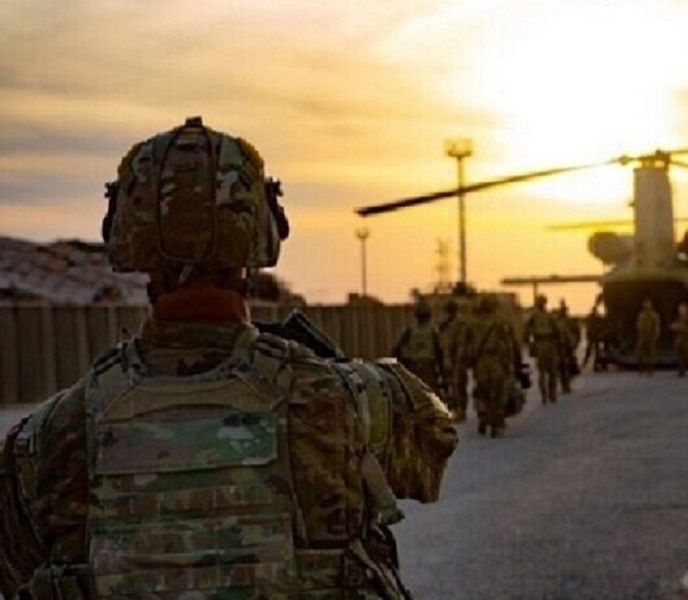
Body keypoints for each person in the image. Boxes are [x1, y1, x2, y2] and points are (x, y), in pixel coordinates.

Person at [0, 117, 457, 599]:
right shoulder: (352, 402)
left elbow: (15, 568)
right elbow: (432, 453)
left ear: (126, 232)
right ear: (262, 229)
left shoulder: (51, 435)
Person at [464, 295, 518, 437]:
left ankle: (483, 416)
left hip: (479, 362)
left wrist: (469, 362)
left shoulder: (472, 325)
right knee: (497, 392)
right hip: (495, 361)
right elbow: (507, 345)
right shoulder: (499, 323)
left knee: (482, 390)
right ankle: (496, 423)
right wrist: (509, 362)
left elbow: (466, 346)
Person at [394, 299, 446, 395]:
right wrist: (442, 373)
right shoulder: (432, 332)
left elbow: (397, 351)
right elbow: (439, 353)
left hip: (413, 365)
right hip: (427, 365)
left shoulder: (410, 331)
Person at [524, 294, 560, 404]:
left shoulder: (534, 317)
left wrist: (530, 344)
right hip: (548, 344)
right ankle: (550, 393)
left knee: (543, 372)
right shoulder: (548, 316)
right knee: (550, 371)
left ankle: (545, 394)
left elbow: (526, 333)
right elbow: (557, 331)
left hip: (540, 344)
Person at [438, 298, 470, 421]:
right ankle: (457, 409)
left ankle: (460, 410)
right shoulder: (445, 325)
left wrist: (457, 359)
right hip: (450, 358)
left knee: (458, 386)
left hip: (457, 359)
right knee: (452, 386)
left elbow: (461, 343)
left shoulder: (459, 324)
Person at [554, 299, 580, 393]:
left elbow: (575, 332)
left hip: (565, 346)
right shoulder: (560, 322)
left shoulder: (563, 321)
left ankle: (566, 384)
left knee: (565, 366)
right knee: (564, 366)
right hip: (563, 346)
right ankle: (565, 385)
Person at [670, 302, 688, 377]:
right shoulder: (678, 318)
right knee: (680, 356)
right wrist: (674, 327)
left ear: (686, 310)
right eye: (680, 309)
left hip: (687, 340)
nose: (681, 311)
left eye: (682, 309)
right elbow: (674, 326)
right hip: (679, 340)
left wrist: (679, 328)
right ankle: (681, 371)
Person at [635, 297, 661, 376]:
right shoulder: (641, 315)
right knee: (640, 352)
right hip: (642, 336)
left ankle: (650, 369)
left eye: (648, 303)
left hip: (651, 336)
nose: (646, 305)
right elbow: (638, 325)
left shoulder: (654, 315)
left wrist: (655, 336)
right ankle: (641, 369)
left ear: (651, 304)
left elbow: (657, 326)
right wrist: (638, 332)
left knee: (651, 353)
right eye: (645, 303)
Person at [582, 305, 605, 371]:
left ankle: (588, 364)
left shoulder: (593, 318)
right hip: (593, 337)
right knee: (593, 351)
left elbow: (588, 326)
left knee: (592, 351)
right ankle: (590, 364)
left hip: (594, 337)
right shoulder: (595, 318)